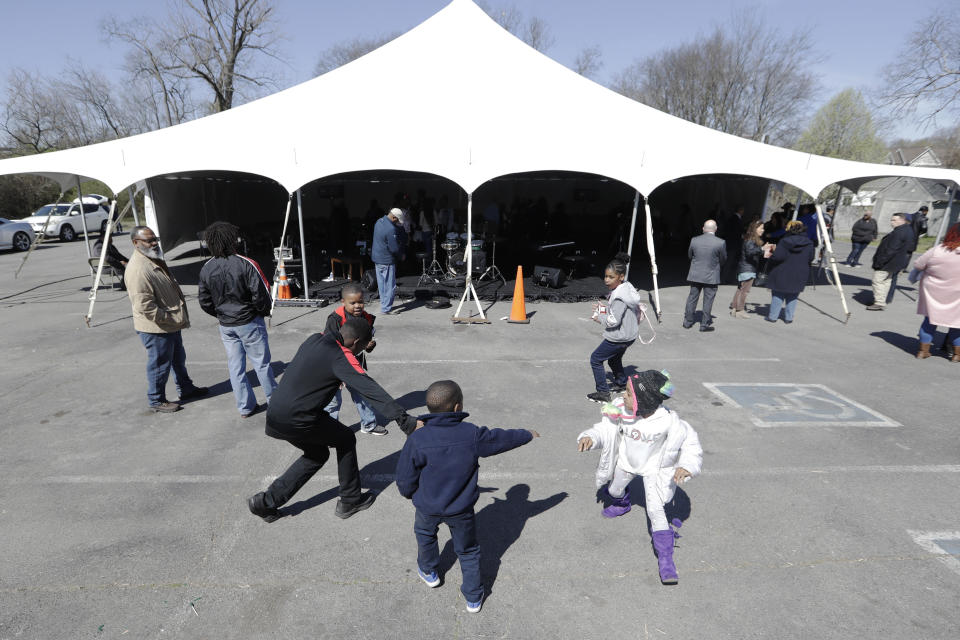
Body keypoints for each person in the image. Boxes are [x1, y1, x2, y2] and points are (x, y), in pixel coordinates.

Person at [247, 318, 419, 522]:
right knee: (345, 438)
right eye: (362, 347)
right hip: (299, 418)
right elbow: (369, 388)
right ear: (355, 342)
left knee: (316, 454)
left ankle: (265, 502)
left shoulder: (315, 339)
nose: (359, 352)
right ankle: (350, 500)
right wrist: (405, 421)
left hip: (276, 413)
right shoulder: (341, 357)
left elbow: (310, 370)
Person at [396, 379, 540, 613]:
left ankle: (429, 571)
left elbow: (404, 477)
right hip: (460, 509)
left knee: (425, 535)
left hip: (427, 506)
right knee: (468, 550)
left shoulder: (417, 438)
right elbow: (499, 439)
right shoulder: (471, 433)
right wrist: (526, 434)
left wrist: (410, 494)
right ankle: (473, 597)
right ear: (457, 407)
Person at [576, 369, 702, 585]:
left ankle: (666, 559)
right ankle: (623, 501)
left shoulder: (669, 421)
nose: (622, 396)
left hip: (654, 469)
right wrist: (590, 437)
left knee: (656, 511)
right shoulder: (622, 411)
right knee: (614, 490)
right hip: (626, 463)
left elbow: (691, 444)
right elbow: (604, 429)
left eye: (628, 393)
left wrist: (687, 466)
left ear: (644, 400)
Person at [197, 221, 276, 418]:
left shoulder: (207, 267)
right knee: (262, 364)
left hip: (226, 325)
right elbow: (262, 294)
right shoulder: (246, 263)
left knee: (235, 367)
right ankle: (275, 403)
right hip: (249, 321)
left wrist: (221, 314)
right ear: (232, 240)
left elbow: (204, 300)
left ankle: (245, 407)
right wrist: (261, 312)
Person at [125, 226, 207, 413]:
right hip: (157, 328)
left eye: (155, 239)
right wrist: (168, 318)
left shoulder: (152, 258)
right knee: (159, 364)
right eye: (149, 240)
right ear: (135, 243)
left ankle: (186, 388)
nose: (154, 243)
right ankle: (156, 400)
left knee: (178, 359)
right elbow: (144, 306)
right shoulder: (138, 269)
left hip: (169, 324)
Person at [323, 282, 386, 435]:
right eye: (353, 303)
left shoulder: (367, 319)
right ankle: (330, 432)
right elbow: (328, 346)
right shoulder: (335, 319)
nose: (357, 306)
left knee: (363, 394)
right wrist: (336, 374)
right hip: (334, 364)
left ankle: (369, 424)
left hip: (355, 362)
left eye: (360, 302)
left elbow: (365, 345)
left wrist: (369, 346)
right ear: (343, 302)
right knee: (333, 401)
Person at [588, 253, 642, 404]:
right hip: (629, 335)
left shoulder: (619, 297)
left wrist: (598, 317)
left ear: (621, 277)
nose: (606, 280)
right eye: (605, 276)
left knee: (596, 359)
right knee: (614, 358)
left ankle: (603, 392)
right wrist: (603, 309)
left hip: (619, 337)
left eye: (611, 277)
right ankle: (621, 382)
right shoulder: (627, 289)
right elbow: (619, 313)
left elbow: (613, 321)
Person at [911, 223, 960, 361]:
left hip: (934, 293)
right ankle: (957, 355)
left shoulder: (937, 250)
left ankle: (922, 351)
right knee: (957, 324)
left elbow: (918, 264)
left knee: (929, 321)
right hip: (958, 296)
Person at [765, 220, 815, 323]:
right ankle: (789, 318)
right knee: (793, 296)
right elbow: (811, 258)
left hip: (782, 271)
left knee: (778, 294)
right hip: (800, 273)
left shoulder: (784, 241)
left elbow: (778, 257)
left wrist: (773, 252)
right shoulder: (809, 243)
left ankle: (773, 317)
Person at [682, 219, 726, 332]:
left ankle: (687, 322)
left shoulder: (694, 240)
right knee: (708, 300)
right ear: (715, 229)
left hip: (696, 274)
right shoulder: (721, 242)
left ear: (703, 228)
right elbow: (723, 259)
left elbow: (690, 255)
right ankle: (704, 324)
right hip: (711, 275)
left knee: (692, 298)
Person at [866, 213, 915, 311]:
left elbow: (891, 249)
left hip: (888, 262)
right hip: (894, 262)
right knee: (886, 281)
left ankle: (879, 302)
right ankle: (881, 301)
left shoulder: (899, 232)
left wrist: (880, 261)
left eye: (894, 220)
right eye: (891, 220)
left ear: (902, 220)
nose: (891, 222)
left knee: (878, 281)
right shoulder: (907, 230)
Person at [729, 219, 769, 318]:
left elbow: (751, 251)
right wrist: (762, 249)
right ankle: (740, 310)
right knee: (744, 291)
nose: (763, 230)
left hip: (745, 268)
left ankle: (735, 308)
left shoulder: (749, 239)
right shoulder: (751, 240)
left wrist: (762, 250)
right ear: (755, 229)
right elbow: (750, 252)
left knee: (740, 289)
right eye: (761, 228)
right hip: (747, 269)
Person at [371, 207, 407, 314]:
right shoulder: (391, 229)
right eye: (397, 220)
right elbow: (394, 248)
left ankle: (384, 305)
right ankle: (386, 308)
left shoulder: (378, 221)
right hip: (387, 260)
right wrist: (401, 256)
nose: (397, 223)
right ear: (394, 217)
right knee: (390, 286)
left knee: (382, 284)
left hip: (377, 258)